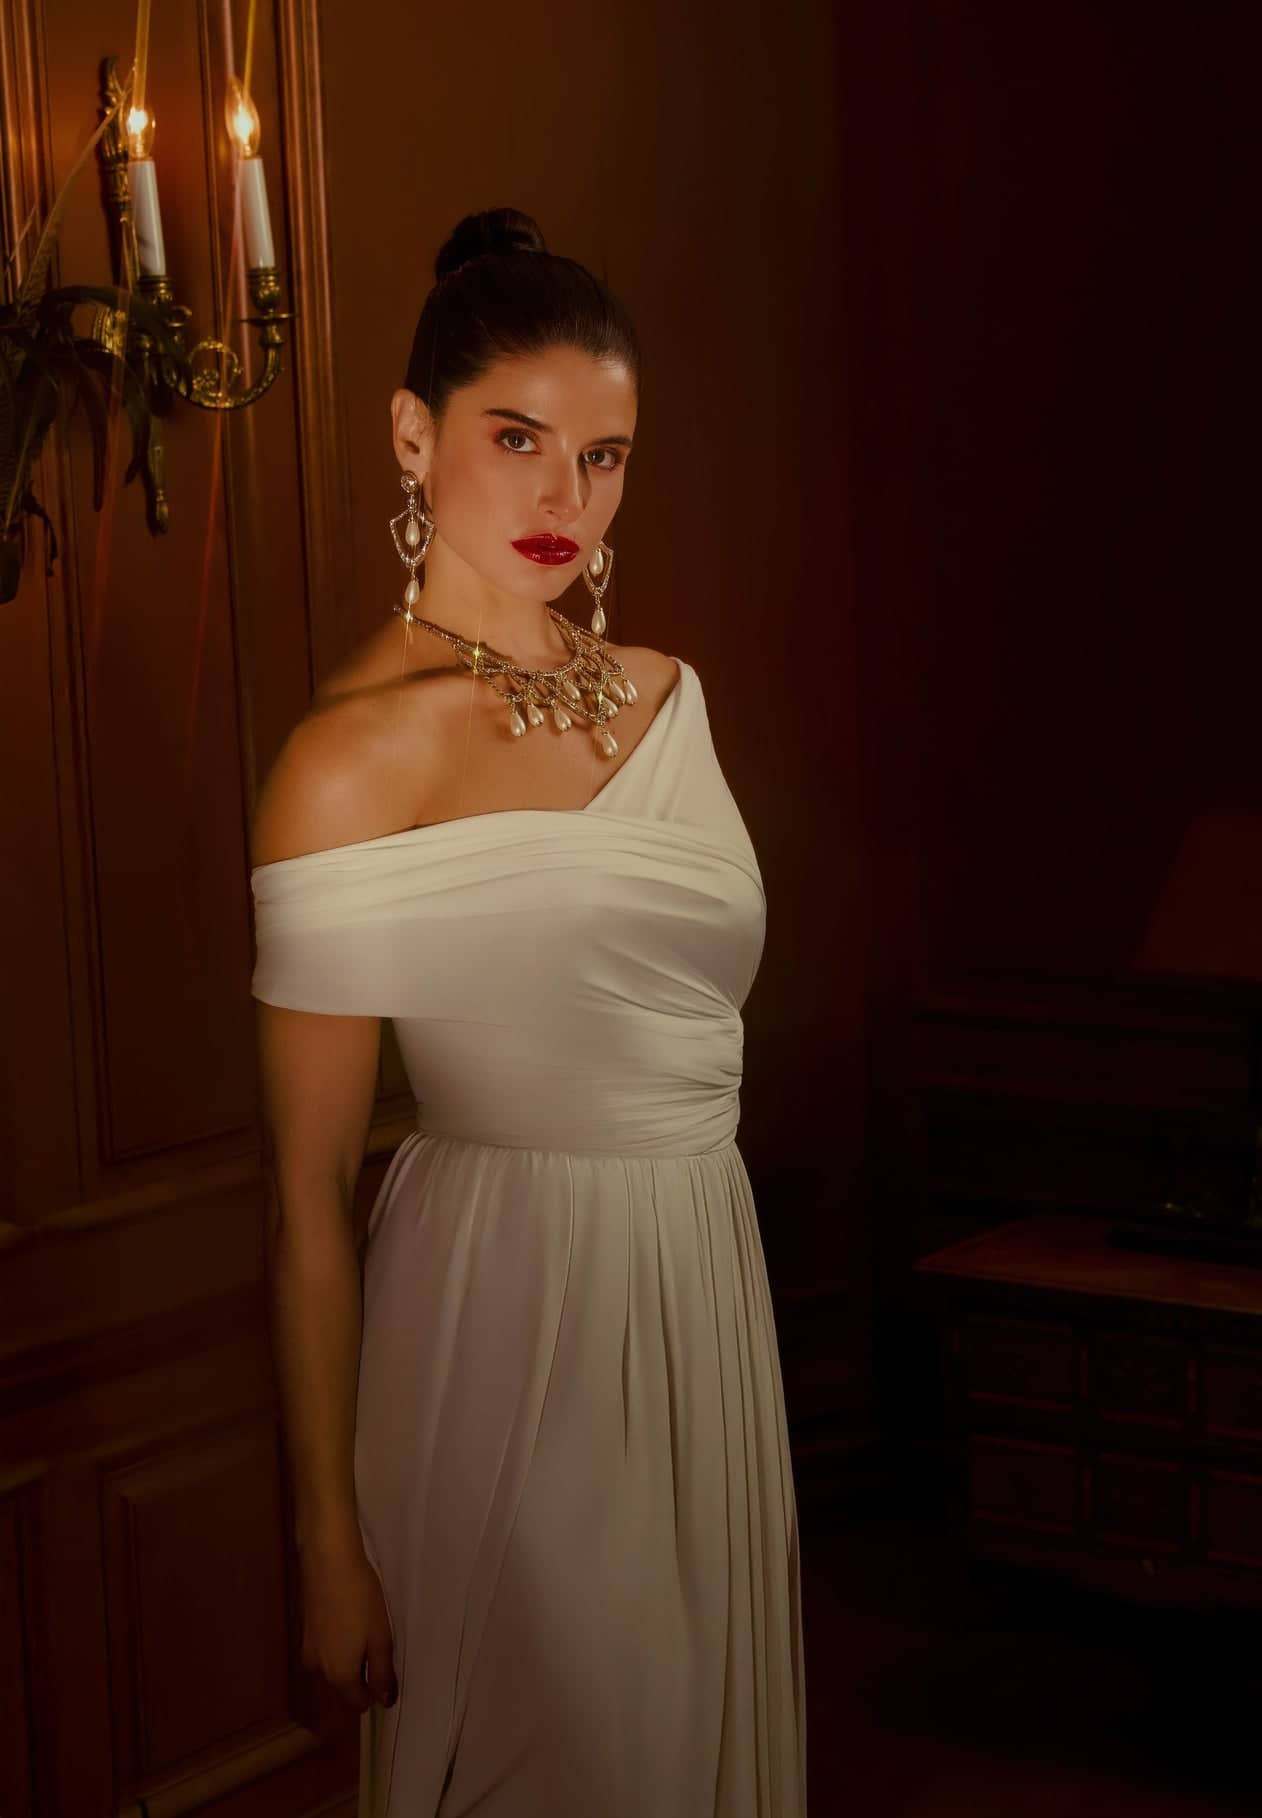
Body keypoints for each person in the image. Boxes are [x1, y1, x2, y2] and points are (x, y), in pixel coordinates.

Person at [250, 206, 806, 1818]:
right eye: (521, 439)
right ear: (414, 437)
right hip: (505, 1322)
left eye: (607, 455)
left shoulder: (665, 695)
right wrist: (324, 1536)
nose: (568, 496)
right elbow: (303, 1194)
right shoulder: (350, 759)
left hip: (700, 1294)